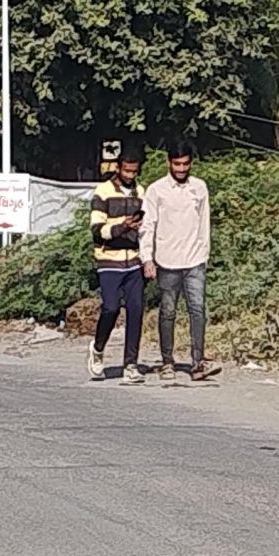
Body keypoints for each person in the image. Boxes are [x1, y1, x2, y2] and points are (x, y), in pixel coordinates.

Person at [141, 148, 213, 380]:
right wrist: (147, 258)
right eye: (177, 164)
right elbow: (147, 225)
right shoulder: (156, 190)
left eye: (185, 164)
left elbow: (204, 223)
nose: (181, 169)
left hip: (195, 260)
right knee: (168, 311)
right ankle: (167, 362)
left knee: (198, 309)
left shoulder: (199, 187)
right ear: (169, 162)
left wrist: (205, 254)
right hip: (167, 260)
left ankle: (198, 363)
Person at [87, 144, 147, 382]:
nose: (130, 175)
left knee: (136, 310)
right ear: (118, 168)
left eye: (134, 171)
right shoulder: (102, 192)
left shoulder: (141, 192)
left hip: (134, 261)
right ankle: (98, 348)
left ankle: (130, 364)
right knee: (111, 308)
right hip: (108, 261)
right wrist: (123, 226)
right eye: (126, 171)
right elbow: (97, 229)